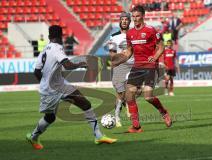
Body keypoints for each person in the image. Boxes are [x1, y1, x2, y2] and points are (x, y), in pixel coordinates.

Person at [26, 25, 117, 150]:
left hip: (58, 86)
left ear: (49, 37)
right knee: (50, 117)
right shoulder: (57, 48)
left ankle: (98, 136)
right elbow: (67, 65)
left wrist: (46, 82)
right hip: (53, 89)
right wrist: (81, 64)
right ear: (61, 36)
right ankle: (33, 136)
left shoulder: (44, 50)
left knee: (85, 104)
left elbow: (36, 72)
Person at [112, 5, 172, 133]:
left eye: (137, 16)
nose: (135, 19)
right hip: (137, 66)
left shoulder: (151, 30)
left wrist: (155, 57)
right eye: (133, 17)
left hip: (150, 66)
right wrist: (119, 61)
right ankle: (136, 126)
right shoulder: (130, 33)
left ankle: (164, 112)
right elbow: (129, 52)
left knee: (148, 97)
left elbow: (161, 47)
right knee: (129, 94)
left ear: (143, 16)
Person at [108, 12, 133, 127]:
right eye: (122, 19)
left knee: (133, 90)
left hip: (133, 65)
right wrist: (121, 55)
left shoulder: (134, 34)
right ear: (120, 21)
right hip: (120, 66)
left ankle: (128, 105)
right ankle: (117, 116)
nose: (124, 21)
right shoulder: (113, 36)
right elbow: (112, 55)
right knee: (121, 94)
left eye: (126, 19)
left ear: (129, 21)